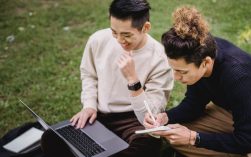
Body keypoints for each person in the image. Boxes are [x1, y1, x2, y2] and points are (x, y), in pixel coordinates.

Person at [144, 6, 251, 157]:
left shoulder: (240, 76)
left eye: (182, 72)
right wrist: (166, 117)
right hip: (228, 109)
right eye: (173, 69)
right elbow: (194, 104)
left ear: (205, 63)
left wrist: (193, 138)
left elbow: (249, 140)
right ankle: (228, 144)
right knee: (170, 133)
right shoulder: (197, 50)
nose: (176, 77)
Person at [41, 0, 173, 157]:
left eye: (126, 35)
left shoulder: (160, 58)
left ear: (145, 28)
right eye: (114, 32)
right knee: (51, 137)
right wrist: (89, 105)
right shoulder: (98, 40)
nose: (119, 40)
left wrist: (133, 80)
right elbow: (89, 75)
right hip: (100, 114)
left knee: (147, 145)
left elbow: (149, 116)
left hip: (135, 121)